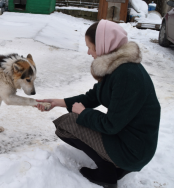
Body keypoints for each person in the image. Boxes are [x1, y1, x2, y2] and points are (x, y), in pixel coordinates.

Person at [36, 20, 161, 188]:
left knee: (67, 124)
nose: (88, 52)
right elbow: (93, 96)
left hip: (134, 150)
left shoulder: (126, 75)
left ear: (103, 45)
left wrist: (83, 113)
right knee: (73, 119)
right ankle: (117, 166)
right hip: (131, 140)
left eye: (91, 47)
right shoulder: (117, 66)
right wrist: (57, 102)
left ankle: (107, 174)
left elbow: (111, 125)